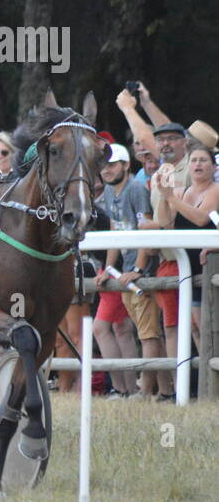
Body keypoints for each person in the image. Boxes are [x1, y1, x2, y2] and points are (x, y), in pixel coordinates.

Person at [149, 142, 219, 376]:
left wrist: (173, 199)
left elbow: (201, 218)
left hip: (210, 266)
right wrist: (163, 195)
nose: (198, 164)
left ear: (212, 166)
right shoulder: (182, 192)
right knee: (196, 327)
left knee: (208, 325)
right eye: (194, 160)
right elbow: (165, 224)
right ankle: (207, 380)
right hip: (189, 267)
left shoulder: (216, 190)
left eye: (203, 160)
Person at [92, 144, 154, 397]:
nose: (107, 170)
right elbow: (115, 233)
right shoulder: (108, 192)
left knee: (142, 332)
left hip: (139, 271)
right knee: (123, 329)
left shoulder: (137, 189)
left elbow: (145, 229)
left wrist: (139, 267)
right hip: (122, 270)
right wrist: (108, 267)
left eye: (113, 164)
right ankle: (126, 389)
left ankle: (136, 389)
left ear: (127, 165)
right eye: (104, 166)